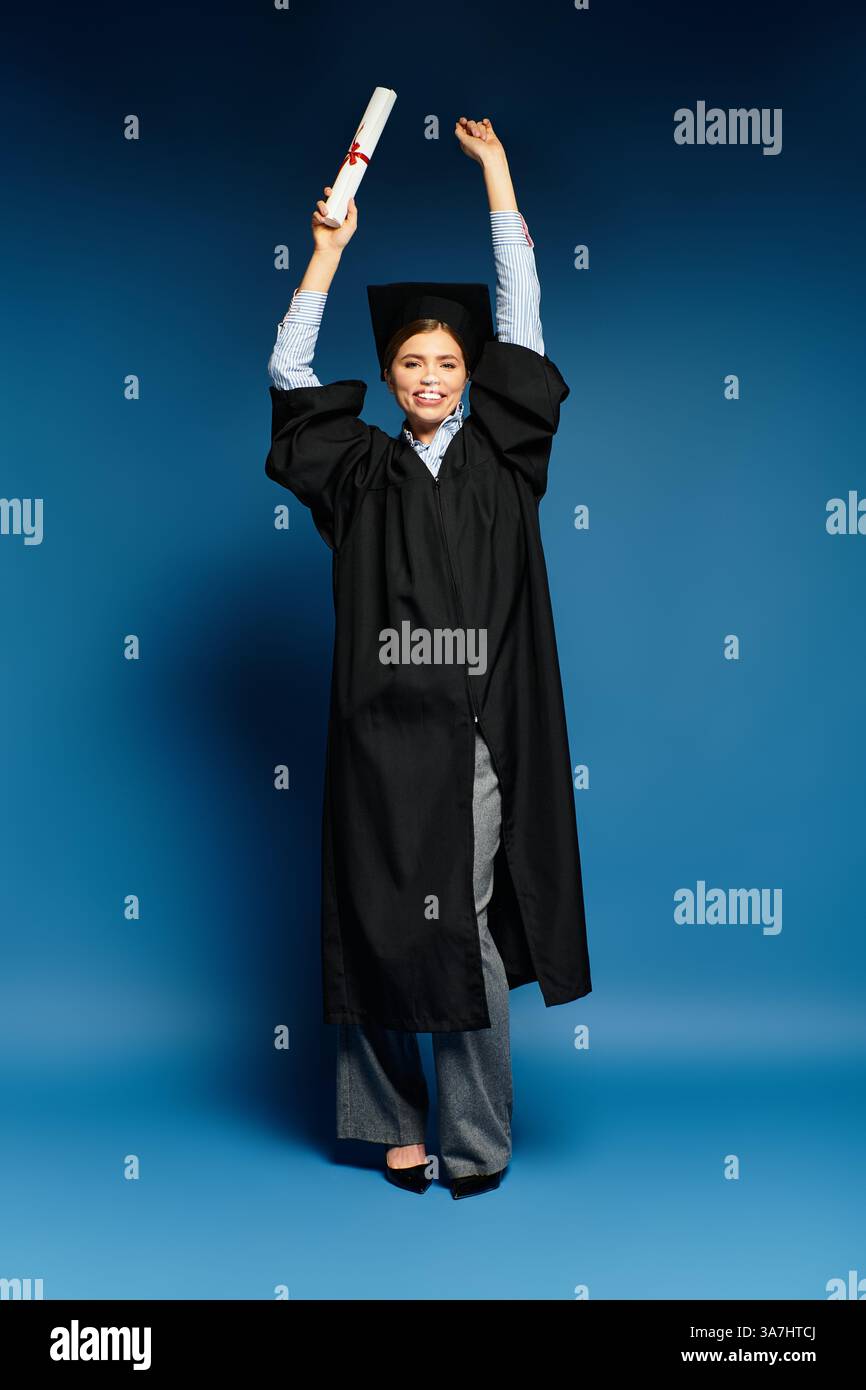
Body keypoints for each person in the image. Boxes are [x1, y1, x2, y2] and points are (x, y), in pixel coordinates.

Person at [265, 116, 591, 1200]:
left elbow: (526, 325)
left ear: (471, 373)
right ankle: (390, 1125)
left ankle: (477, 1136)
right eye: (411, 360)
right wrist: (326, 250)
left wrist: (497, 175)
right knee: (364, 922)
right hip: (375, 734)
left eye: (448, 361)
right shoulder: (357, 471)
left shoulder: (505, 458)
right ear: (390, 372)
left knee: (463, 928)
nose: (430, 375)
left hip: (473, 735)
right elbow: (287, 368)